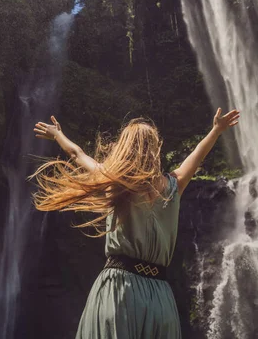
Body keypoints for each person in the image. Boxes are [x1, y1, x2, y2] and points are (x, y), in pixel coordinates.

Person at [32, 108, 240, 339]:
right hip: (160, 294)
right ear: (154, 149)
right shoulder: (173, 185)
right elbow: (197, 156)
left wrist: (58, 135)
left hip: (120, 288)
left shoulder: (113, 180)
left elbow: (77, 154)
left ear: (124, 147)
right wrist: (216, 130)